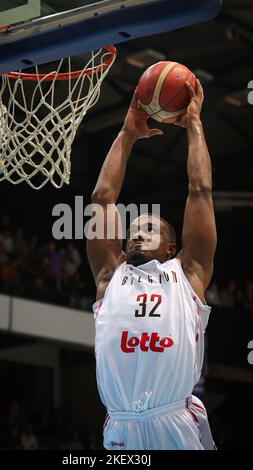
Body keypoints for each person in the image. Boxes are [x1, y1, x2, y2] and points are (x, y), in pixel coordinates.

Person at [87, 80, 217, 450]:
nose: (136, 234)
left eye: (149, 227)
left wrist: (194, 124)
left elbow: (199, 190)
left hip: (173, 424)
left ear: (172, 248)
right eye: (132, 230)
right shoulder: (111, 277)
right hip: (120, 429)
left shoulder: (187, 273)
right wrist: (128, 132)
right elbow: (102, 198)